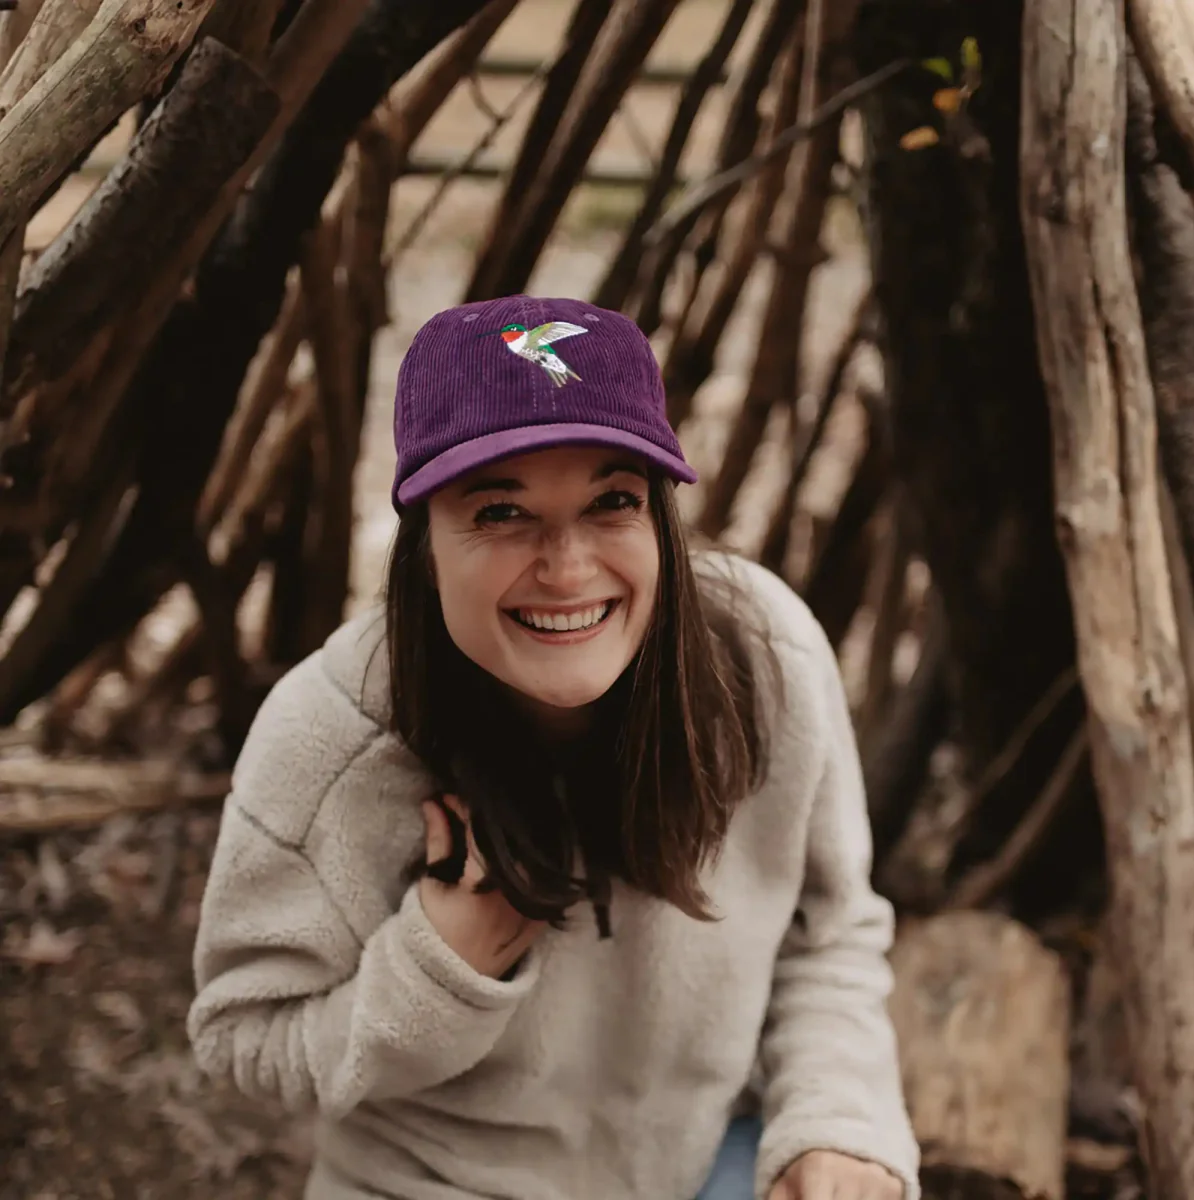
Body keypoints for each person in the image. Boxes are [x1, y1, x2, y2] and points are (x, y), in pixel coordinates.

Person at [187, 295, 920, 1200]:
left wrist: (838, 1124)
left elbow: (830, 933)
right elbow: (242, 1038)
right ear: (423, 541)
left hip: (702, 1164)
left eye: (613, 502)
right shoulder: (332, 738)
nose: (568, 566)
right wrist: (438, 970)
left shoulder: (767, 662)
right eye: (501, 512)